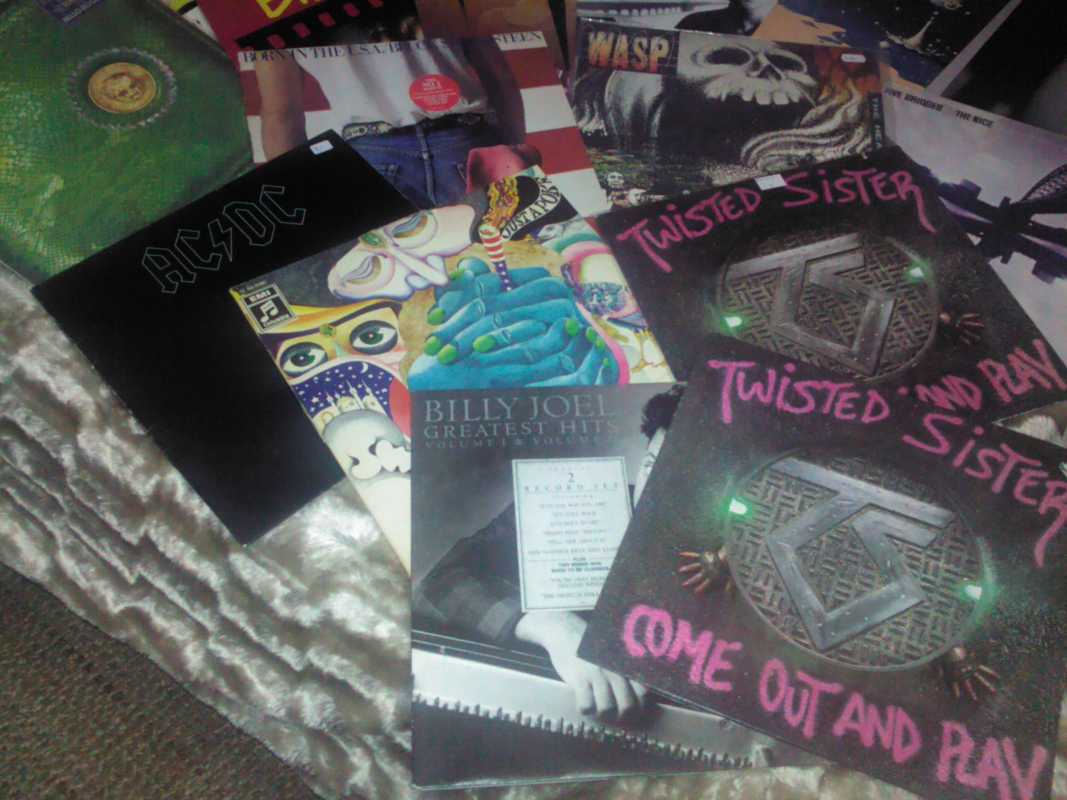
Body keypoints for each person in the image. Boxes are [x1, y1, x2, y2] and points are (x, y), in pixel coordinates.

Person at [413, 385, 685, 718]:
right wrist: (553, 626)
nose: (655, 487)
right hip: (536, 709)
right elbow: (439, 584)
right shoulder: (569, 500)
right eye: (652, 464)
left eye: (679, 476)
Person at [253, 36, 536, 207]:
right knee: (519, 260)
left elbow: (282, 116)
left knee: (391, 278)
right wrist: (513, 153)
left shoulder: (268, 11)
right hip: (466, 140)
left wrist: (301, 199)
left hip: (368, 159)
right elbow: (500, 78)